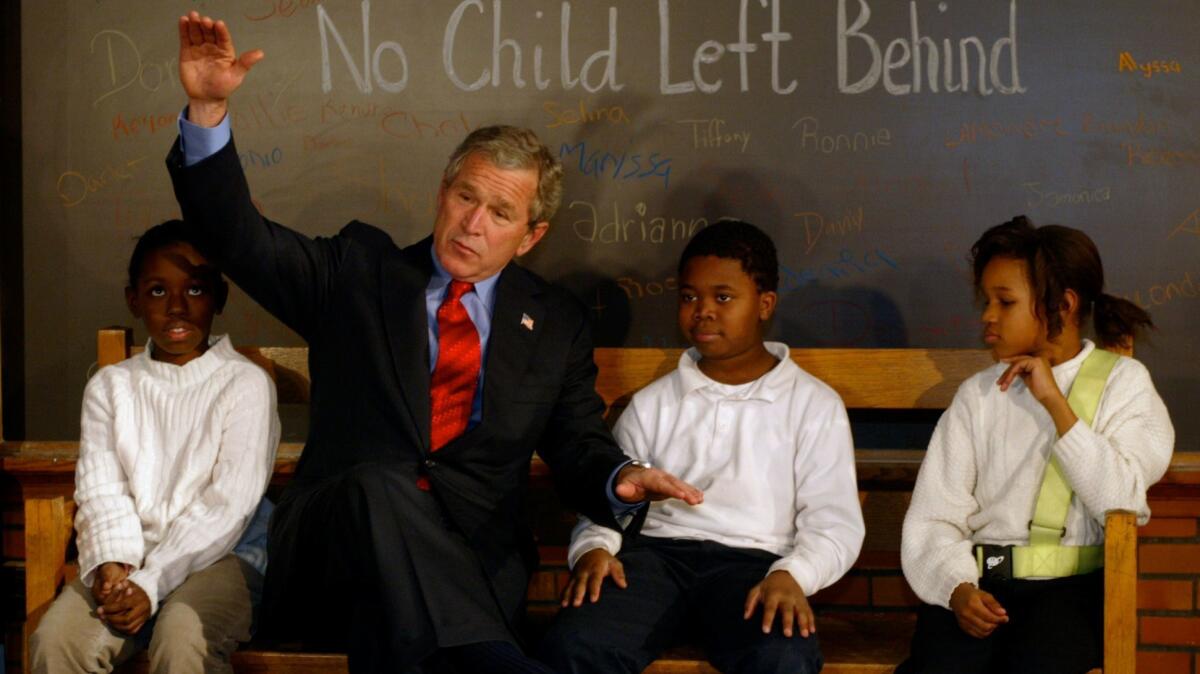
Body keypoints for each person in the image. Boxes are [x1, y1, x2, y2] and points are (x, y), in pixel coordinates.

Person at [168, 11, 703, 673]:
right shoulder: (357, 273)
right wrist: (208, 108)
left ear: (530, 236)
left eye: (500, 213)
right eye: (465, 197)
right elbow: (236, 239)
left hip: (470, 571)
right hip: (335, 554)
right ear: (443, 190)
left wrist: (620, 480)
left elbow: (575, 444)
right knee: (381, 482)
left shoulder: (555, 322)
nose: (473, 224)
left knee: (406, 637)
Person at [539, 220, 865, 674]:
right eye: (690, 297)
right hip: (655, 562)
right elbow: (611, 499)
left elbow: (834, 522)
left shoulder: (813, 405)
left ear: (765, 304)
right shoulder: (653, 404)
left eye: (723, 297)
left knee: (782, 659)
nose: (703, 311)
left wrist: (795, 575)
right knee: (576, 644)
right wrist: (595, 547)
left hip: (757, 568)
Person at [897, 216, 1175, 674]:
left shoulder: (1124, 385)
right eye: (986, 301)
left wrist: (1055, 403)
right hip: (979, 586)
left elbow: (1123, 499)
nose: (988, 315)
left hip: (1071, 592)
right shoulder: (978, 395)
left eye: (1005, 302)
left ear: (1061, 306)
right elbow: (934, 516)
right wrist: (956, 587)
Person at [29, 220, 280, 673]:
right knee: (56, 640)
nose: (178, 307)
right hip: (131, 558)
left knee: (183, 638)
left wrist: (152, 581)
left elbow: (229, 507)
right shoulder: (111, 387)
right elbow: (103, 490)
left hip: (224, 556)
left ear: (220, 298)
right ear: (134, 300)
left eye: (197, 291)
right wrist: (112, 562)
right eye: (159, 292)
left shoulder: (245, 385)